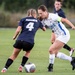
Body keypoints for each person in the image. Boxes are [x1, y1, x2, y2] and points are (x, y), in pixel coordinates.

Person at [1, 8, 46, 73]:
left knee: (14, 55)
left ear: (28, 14)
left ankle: (4, 69)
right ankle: (21, 66)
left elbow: (18, 30)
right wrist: (36, 27)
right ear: (35, 14)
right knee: (27, 52)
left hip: (20, 40)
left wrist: (14, 36)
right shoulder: (38, 21)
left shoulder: (23, 19)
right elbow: (44, 29)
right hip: (29, 41)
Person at [38, 5, 75, 72]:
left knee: (51, 50)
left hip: (64, 35)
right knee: (54, 53)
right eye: (39, 13)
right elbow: (43, 28)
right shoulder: (43, 20)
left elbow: (64, 20)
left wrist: (72, 26)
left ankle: (50, 67)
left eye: (41, 13)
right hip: (58, 36)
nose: (40, 15)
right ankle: (71, 59)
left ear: (45, 11)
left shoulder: (53, 16)